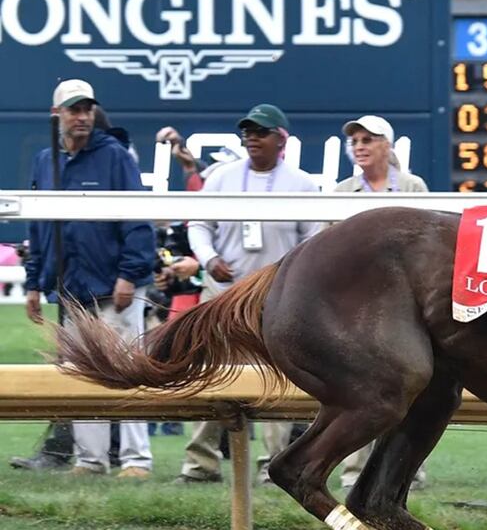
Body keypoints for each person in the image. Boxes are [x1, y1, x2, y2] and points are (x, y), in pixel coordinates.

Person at [175, 104, 322, 484]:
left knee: (277, 379)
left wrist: (287, 275)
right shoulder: (222, 177)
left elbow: (314, 240)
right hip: (223, 293)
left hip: (277, 298)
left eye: (261, 132)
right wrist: (208, 258)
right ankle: (200, 464)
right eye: (247, 132)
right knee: (210, 373)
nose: (252, 138)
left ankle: (273, 465)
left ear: (281, 139)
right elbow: (199, 225)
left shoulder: (302, 184)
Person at [22, 79, 156, 478]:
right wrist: (34, 282)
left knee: (128, 369)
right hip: (70, 289)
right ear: (56, 115)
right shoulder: (45, 161)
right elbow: (38, 227)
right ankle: (90, 460)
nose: (81, 117)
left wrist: (129, 275)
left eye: (87, 110)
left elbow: (138, 219)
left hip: (114, 286)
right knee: (81, 374)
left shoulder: (115, 155)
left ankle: (136, 459)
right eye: (73, 110)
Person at [332, 114, 429, 491]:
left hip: (404, 305)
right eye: (355, 141)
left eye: (368, 139)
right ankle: (354, 472)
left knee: (408, 385)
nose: (359, 146)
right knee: (357, 387)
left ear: (386, 145)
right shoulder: (341, 192)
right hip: (357, 305)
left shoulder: (413, 187)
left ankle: (406, 471)